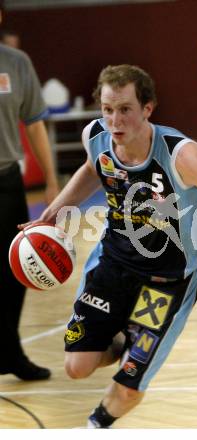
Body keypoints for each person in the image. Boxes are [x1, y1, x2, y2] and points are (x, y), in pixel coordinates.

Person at [23, 64, 197, 428]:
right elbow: (92, 168)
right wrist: (52, 214)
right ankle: (122, 337)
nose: (114, 120)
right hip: (113, 263)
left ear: (148, 108)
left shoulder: (182, 156)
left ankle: (95, 425)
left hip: (167, 280)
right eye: (107, 109)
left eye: (125, 109)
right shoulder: (97, 136)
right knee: (77, 367)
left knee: (129, 386)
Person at [0, 0, 59, 381]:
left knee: (14, 272)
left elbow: (35, 125)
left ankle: (9, 353)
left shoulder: (16, 63)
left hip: (7, 182)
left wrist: (54, 182)